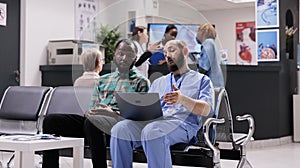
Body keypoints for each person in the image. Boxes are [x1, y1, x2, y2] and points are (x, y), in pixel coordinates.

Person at [42, 39, 150, 168]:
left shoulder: (141, 82)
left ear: (135, 58)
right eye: (121, 53)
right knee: (51, 121)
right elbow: (92, 108)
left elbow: (140, 116)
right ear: (114, 56)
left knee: (93, 122)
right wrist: (92, 111)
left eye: (129, 54)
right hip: (95, 123)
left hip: (120, 124)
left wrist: (113, 113)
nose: (124, 58)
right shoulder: (103, 80)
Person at [110, 40, 214, 168]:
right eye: (165, 53)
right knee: (120, 129)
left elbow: (206, 110)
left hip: (183, 125)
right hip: (155, 123)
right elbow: (147, 110)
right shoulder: (158, 82)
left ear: (185, 51)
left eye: (171, 50)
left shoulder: (202, 80)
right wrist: (130, 111)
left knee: (152, 131)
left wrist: (182, 99)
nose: (167, 56)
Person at [196, 23, 224, 87]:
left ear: (202, 32)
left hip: (211, 84)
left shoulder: (207, 43)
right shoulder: (211, 42)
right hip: (216, 82)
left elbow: (204, 67)